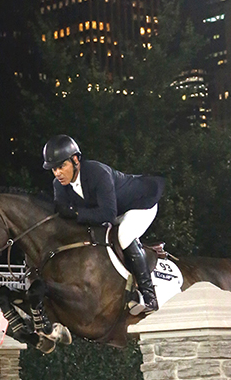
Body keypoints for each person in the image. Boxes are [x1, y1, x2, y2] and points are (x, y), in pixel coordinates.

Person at [42, 134, 165, 313]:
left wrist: (75, 212)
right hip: (113, 213)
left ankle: (149, 297)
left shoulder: (97, 173)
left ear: (75, 160)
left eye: (62, 166)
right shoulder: (59, 185)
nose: (58, 173)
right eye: (54, 169)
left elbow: (107, 214)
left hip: (139, 205)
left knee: (123, 236)